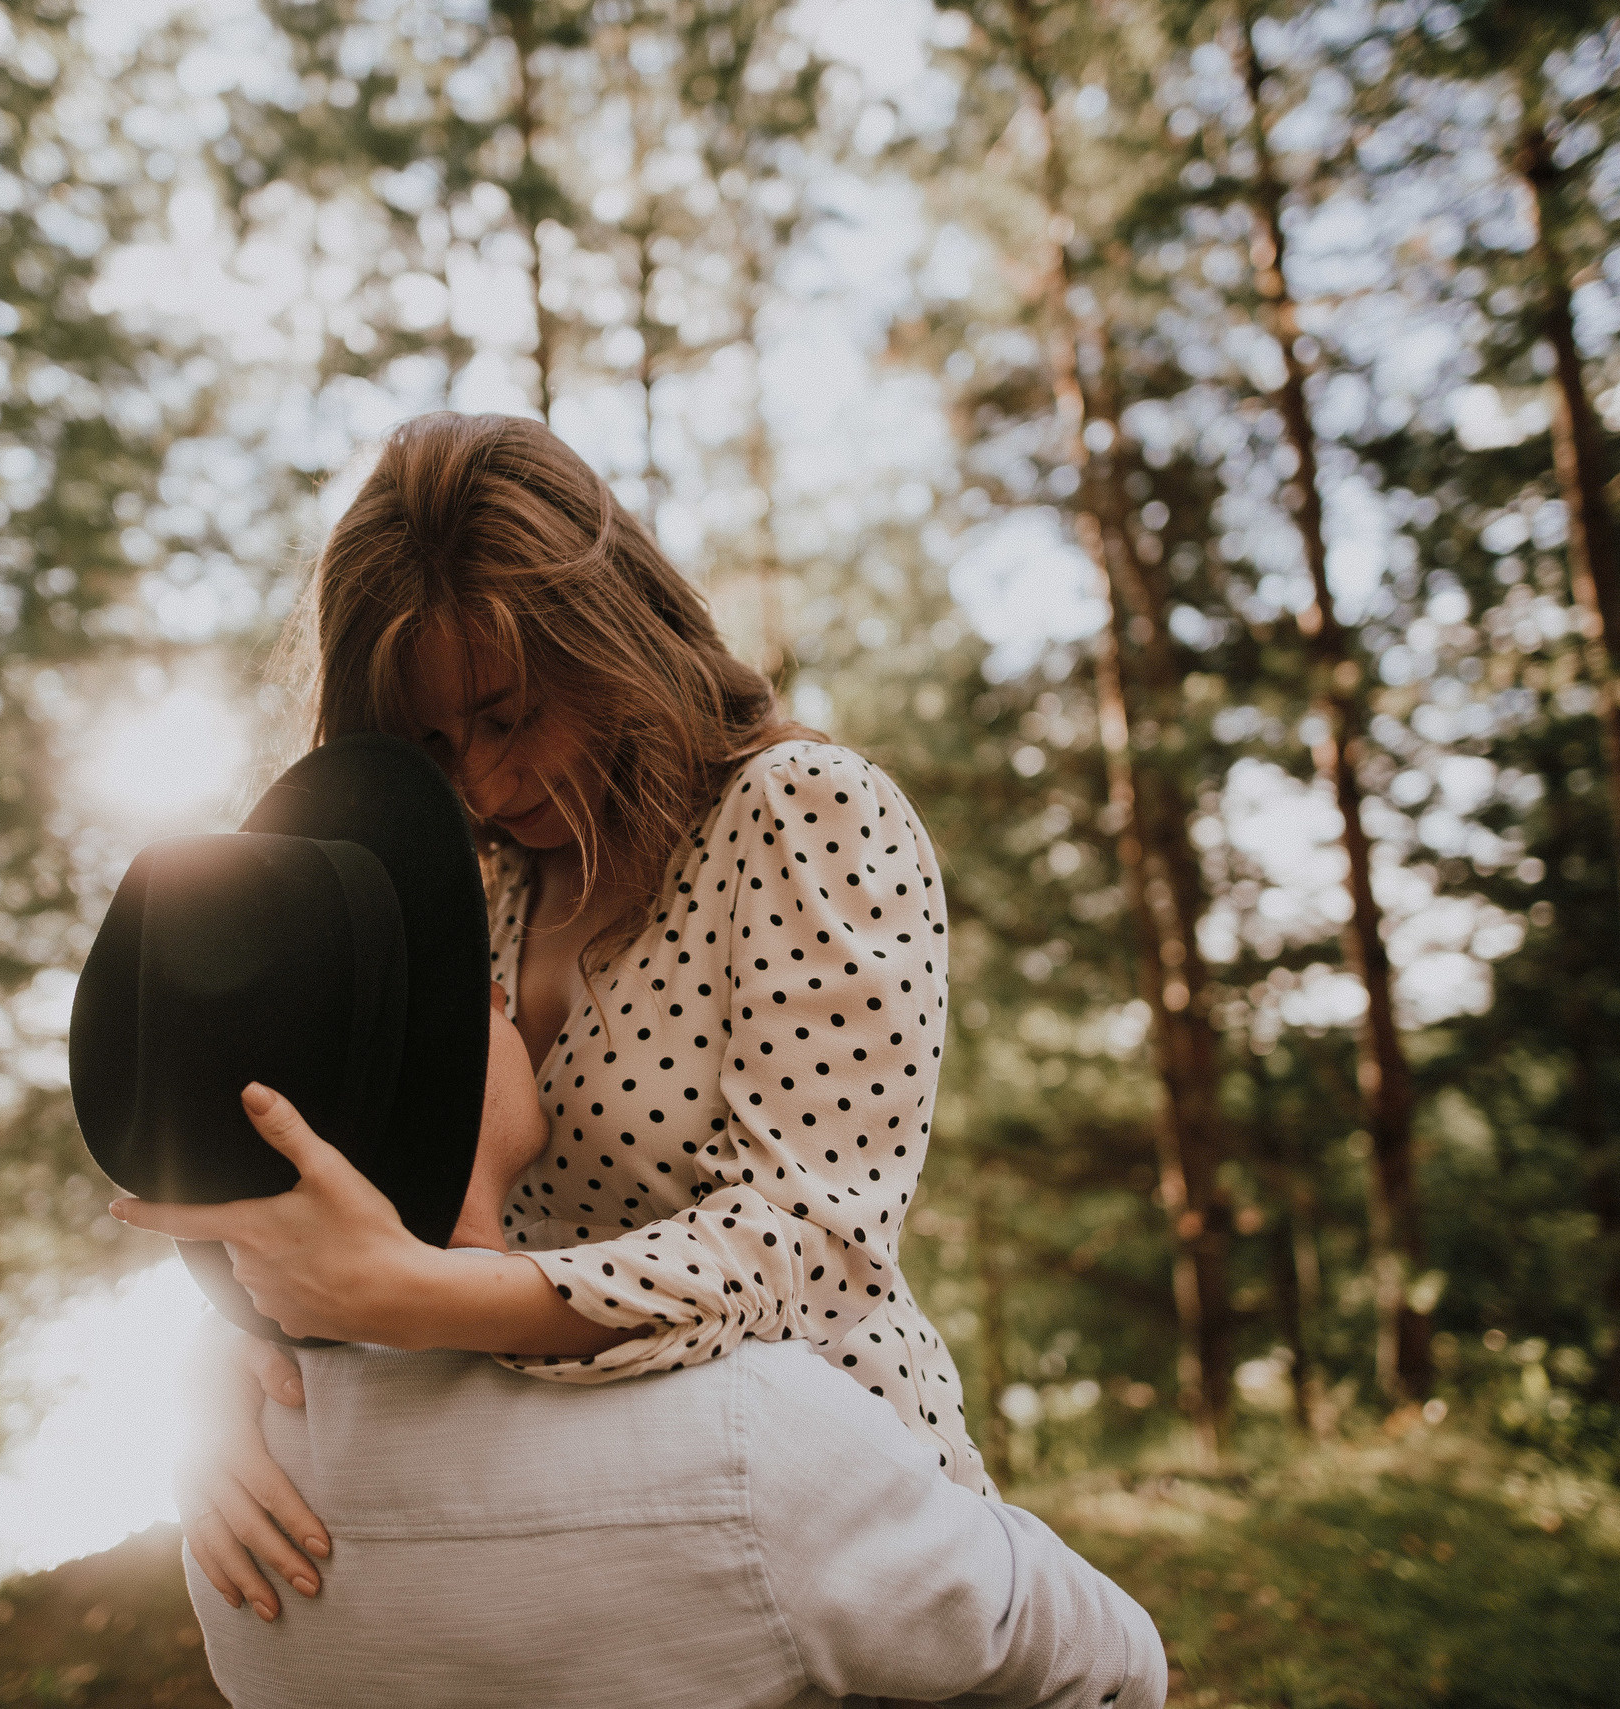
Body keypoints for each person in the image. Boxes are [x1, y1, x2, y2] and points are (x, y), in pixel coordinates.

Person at [74, 737, 1165, 1709]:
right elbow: (1112, 1664)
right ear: (453, 1059)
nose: (510, 989)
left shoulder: (232, 1531)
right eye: (478, 988)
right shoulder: (753, 1439)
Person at [162, 411, 991, 1605]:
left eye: (508, 715)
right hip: (587, 1534)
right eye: (431, 745)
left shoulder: (799, 815)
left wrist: (439, 1297)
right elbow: (361, 1205)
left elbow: (812, 1249)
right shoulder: (469, 892)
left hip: (843, 1522)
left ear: (609, 636)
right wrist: (228, 1360)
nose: (485, 781)